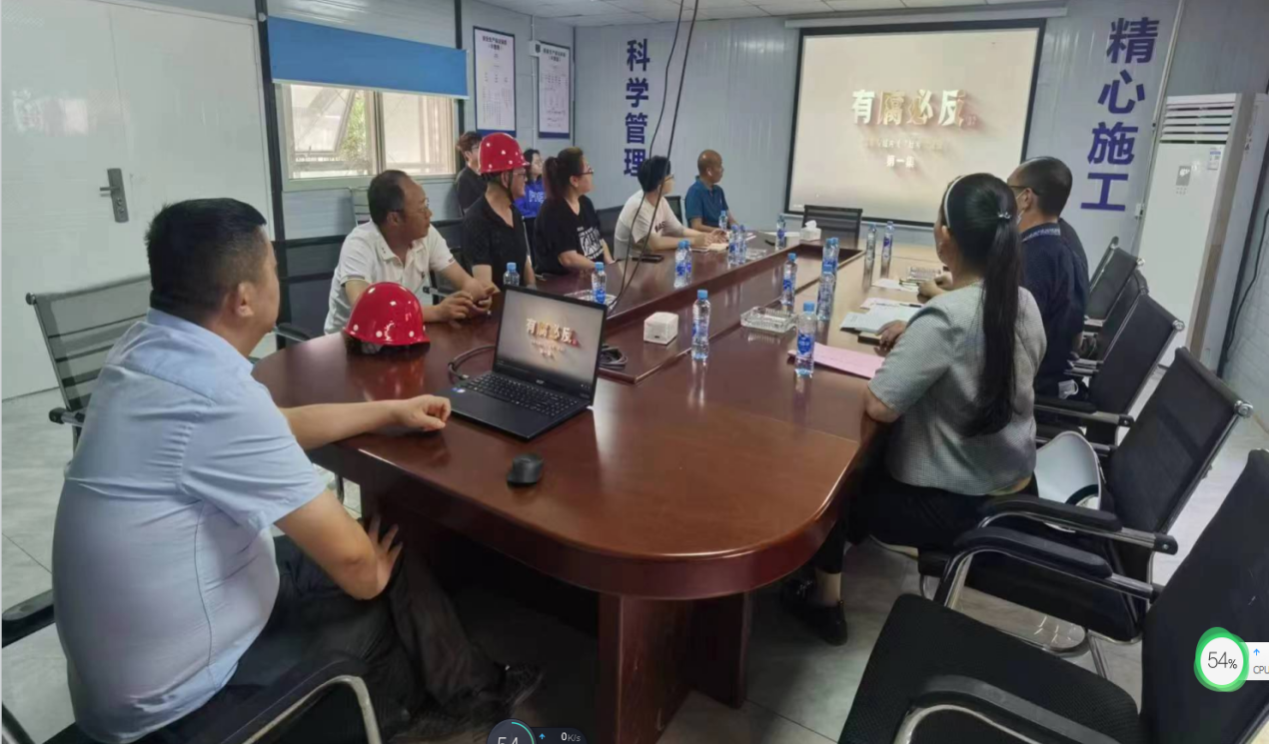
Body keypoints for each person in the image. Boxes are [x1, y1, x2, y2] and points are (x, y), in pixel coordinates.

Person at [53, 199, 541, 744]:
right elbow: (358, 567)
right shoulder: (216, 397)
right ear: (243, 299)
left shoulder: (144, 352)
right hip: (191, 705)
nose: (278, 275)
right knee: (383, 582)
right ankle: (452, 715)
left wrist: (388, 411)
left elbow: (274, 425)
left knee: (381, 552)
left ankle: (468, 691)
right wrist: (371, 575)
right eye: (272, 265)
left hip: (144, 669)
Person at [782, 175, 1046, 646]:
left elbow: (880, 405)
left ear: (945, 236)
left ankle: (824, 602)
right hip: (1014, 483)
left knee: (839, 482)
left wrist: (922, 338)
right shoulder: (1022, 301)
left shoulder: (947, 318)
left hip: (959, 504)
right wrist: (919, 336)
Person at [920, 157, 1085, 396]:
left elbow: (992, 328)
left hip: (1020, 390)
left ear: (1026, 198)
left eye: (1009, 189)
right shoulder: (1058, 246)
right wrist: (959, 286)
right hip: (1039, 377)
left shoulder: (1033, 260)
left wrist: (934, 302)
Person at [325, 171, 497, 335]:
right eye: (422, 209)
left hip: (403, 332)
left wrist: (476, 299)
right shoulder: (359, 244)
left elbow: (465, 282)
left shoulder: (427, 235)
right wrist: (436, 312)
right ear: (394, 218)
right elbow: (364, 309)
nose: (429, 214)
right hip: (351, 341)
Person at [462, 133, 537, 290]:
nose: (526, 180)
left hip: (519, 299)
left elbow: (525, 263)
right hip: (498, 302)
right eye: (522, 174)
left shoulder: (514, 212)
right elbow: (485, 285)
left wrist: (533, 291)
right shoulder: (477, 220)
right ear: (505, 178)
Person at [614, 156, 725, 256]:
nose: (673, 179)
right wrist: (694, 241)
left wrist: (707, 236)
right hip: (630, 266)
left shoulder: (661, 201)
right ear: (659, 185)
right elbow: (655, 243)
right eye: (670, 177)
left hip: (652, 259)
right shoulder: (637, 207)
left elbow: (679, 230)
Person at [533, 147, 613, 275]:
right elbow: (568, 259)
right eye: (588, 170)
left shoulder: (586, 203)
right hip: (563, 282)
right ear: (574, 180)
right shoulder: (552, 211)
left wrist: (609, 263)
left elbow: (600, 240)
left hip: (593, 274)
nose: (592, 174)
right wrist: (600, 269)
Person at [684, 149, 737, 230]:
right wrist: (721, 232)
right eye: (719, 166)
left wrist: (737, 229)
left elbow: (730, 220)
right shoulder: (695, 192)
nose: (722, 169)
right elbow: (696, 226)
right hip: (707, 237)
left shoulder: (719, 191)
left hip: (723, 235)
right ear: (709, 171)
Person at [454, 131, 484, 215]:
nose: (483, 150)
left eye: (483, 146)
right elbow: (468, 212)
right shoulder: (464, 179)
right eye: (478, 147)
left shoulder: (487, 174)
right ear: (467, 154)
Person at [513, 148, 546, 219]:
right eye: (537, 162)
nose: (541, 164)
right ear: (528, 166)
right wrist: (536, 217)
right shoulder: (521, 186)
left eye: (541, 161)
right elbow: (519, 208)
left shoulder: (545, 185)